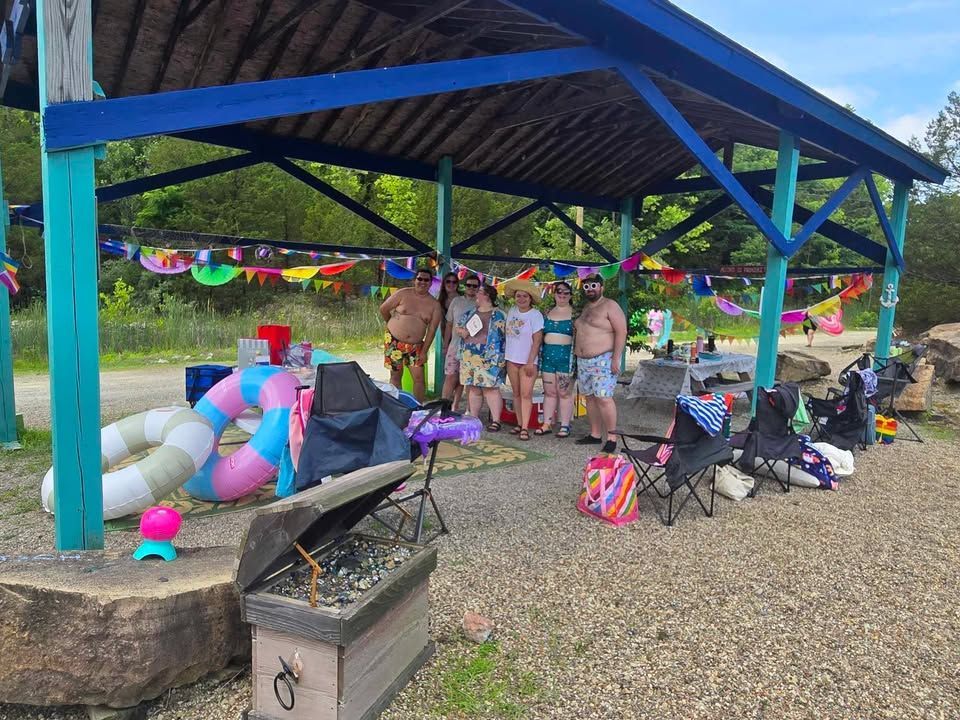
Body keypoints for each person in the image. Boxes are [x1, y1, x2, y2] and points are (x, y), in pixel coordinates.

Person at [574, 275, 627, 454]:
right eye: (586, 286)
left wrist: (616, 358)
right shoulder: (586, 307)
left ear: (601, 287)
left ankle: (612, 437)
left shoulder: (610, 305)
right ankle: (595, 434)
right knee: (589, 397)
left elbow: (621, 331)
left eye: (593, 285)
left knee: (604, 398)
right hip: (583, 361)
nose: (590, 289)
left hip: (603, 359)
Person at [378, 267, 443, 402]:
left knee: (419, 379)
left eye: (426, 280)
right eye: (420, 279)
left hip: (416, 346)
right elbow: (384, 308)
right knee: (395, 376)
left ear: (431, 283)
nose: (422, 282)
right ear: (414, 280)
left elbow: (432, 330)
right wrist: (391, 323)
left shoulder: (435, 305)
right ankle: (397, 405)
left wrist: (424, 351)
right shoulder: (403, 293)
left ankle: (418, 407)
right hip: (394, 341)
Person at [456, 283, 506, 431]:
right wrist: (461, 331)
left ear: (487, 295)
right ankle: (474, 418)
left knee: (491, 388)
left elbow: (506, 335)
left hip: (490, 356)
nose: (476, 294)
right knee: (473, 387)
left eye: (479, 291)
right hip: (469, 354)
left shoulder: (499, 315)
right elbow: (458, 326)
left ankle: (496, 421)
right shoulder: (470, 313)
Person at [503, 280, 544, 441]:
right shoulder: (512, 311)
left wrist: (530, 362)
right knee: (516, 393)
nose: (521, 299)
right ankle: (519, 423)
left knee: (526, 394)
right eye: (518, 296)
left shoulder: (535, 315)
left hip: (528, 360)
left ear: (530, 298)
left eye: (525, 296)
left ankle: (525, 427)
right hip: (511, 357)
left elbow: (537, 340)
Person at [537, 281, 575, 439]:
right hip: (548, 357)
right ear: (554, 294)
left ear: (570, 295)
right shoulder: (547, 312)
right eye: (559, 291)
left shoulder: (575, 314)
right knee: (549, 392)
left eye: (566, 292)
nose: (562, 295)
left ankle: (565, 424)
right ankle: (547, 423)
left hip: (566, 359)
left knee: (564, 392)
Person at [442, 274, 479, 410]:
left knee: (467, 380)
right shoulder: (456, 301)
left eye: (474, 286)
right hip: (454, 346)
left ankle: (464, 408)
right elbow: (449, 324)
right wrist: (445, 344)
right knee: (450, 376)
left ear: (478, 288)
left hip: (472, 349)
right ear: (465, 286)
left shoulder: (481, 303)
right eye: (469, 285)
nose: (471, 288)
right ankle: (444, 407)